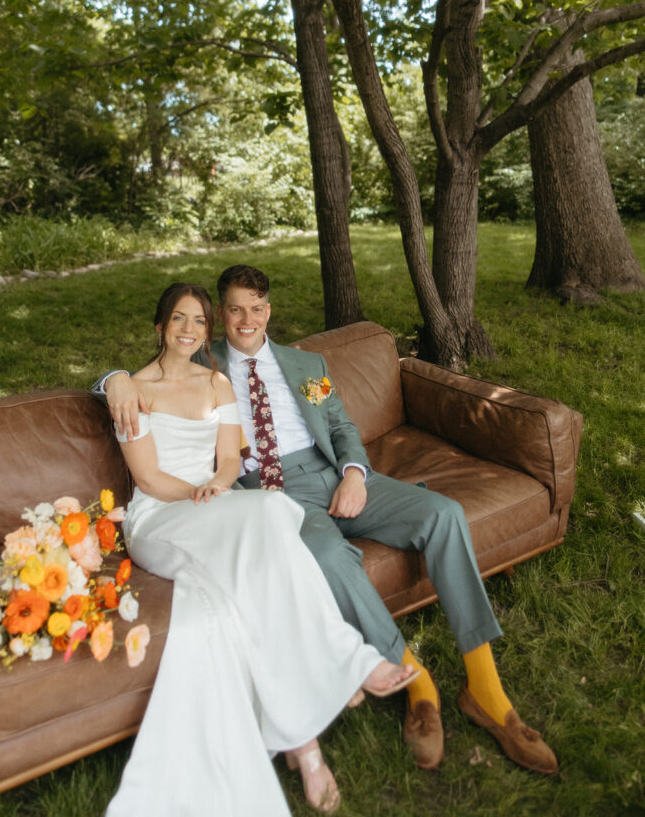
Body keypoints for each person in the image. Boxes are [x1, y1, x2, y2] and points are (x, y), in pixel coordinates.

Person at [98, 265, 558, 777]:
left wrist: (355, 474)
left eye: (256, 308)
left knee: (445, 515)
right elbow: (150, 377)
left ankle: (487, 690)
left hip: (334, 474)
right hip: (270, 495)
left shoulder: (305, 365)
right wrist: (112, 378)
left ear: (268, 311)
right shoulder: (208, 364)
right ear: (219, 317)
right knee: (328, 556)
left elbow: (340, 426)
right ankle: (417, 685)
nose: (245, 319)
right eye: (233, 309)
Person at [103, 282, 417, 817]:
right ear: (160, 327)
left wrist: (218, 487)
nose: (188, 330)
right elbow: (149, 477)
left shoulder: (226, 381)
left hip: (216, 503)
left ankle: (305, 744)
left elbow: (229, 461)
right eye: (179, 320)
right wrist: (112, 381)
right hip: (162, 513)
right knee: (273, 514)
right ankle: (343, 664)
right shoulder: (134, 389)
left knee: (267, 534)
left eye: (198, 322)